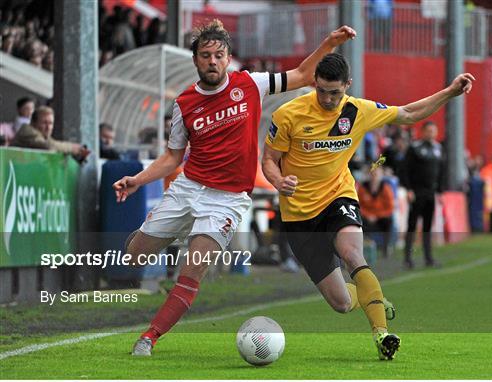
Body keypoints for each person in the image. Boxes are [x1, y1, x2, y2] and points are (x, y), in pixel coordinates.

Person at [113, 20, 356, 356]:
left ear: (228, 59)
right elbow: (171, 158)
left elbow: (301, 75)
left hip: (226, 201)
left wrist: (329, 43)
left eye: (219, 55)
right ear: (196, 60)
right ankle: (154, 239)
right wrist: (138, 180)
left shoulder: (251, 84)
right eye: (205, 55)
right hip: (188, 188)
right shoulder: (184, 104)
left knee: (193, 268)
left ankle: (149, 336)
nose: (212, 61)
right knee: (135, 256)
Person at [262, 53, 474, 360]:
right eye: (321, 90)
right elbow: (269, 159)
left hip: (338, 197)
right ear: (314, 84)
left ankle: (381, 335)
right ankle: (370, 295)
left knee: (352, 254)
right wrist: (279, 182)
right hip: (298, 215)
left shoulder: (358, 110)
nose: (327, 98)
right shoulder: (288, 114)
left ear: (347, 86)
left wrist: (449, 92)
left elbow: (410, 113)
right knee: (342, 303)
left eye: (335, 92)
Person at [402, 121, 444, 269]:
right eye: (429, 131)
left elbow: (440, 172)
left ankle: (428, 257)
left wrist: (440, 192)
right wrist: (408, 189)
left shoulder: (438, 149)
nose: (431, 134)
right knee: (412, 225)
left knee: (427, 226)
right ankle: (408, 258)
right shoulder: (415, 148)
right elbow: (405, 170)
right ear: (423, 132)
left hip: (431, 193)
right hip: (417, 191)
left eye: (434, 131)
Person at [10, 106, 90, 160]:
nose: (48, 127)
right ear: (33, 123)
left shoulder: (45, 137)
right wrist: (72, 148)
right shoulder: (27, 131)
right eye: (44, 123)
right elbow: (49, 146)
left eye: (51, 123)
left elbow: (53, 145)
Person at [356, 166, 394, 258]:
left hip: (381, 218)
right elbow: (358, 205)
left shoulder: (386, 188)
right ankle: (363, 250)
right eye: (372, 173)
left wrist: (377, 216)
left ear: (381, 175)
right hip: (366, 218)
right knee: (358, 221)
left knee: (389, 220)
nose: (374, 176)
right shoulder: (363, 187)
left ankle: (385, 249)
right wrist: (368, 215)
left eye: (377, 174)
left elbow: (390, 207)